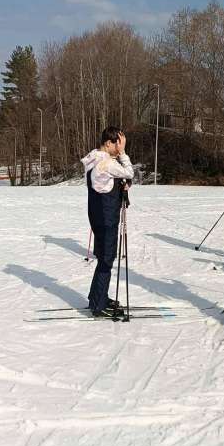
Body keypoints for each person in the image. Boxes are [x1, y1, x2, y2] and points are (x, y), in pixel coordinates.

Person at [81, 126, 135, 318]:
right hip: (106, 216)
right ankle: (98, 305)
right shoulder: (105, 163)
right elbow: (129, 172)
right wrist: (124, 154)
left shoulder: (95, 158)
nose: (118, 149)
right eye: (118, 145)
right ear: (109, 143)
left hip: (98, 214)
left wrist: (121, 185)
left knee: (104, 257)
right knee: (106, 259)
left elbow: (110, 181)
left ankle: (97, 296)